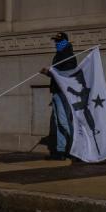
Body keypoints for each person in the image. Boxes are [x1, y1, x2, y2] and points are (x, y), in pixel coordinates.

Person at [40, 32, 77, 160]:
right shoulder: (58, 55)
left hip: (63, 93)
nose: (56, 43)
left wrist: (50, 72)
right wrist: (49, 73)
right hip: (56, 92)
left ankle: (75, 149)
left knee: (64, 121)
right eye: (55, 41)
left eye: (59, 41)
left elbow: (66, 75)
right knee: (58, 122)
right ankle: (60, 151)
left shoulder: (69, 56)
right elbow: (57, 74)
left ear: (65, 41)